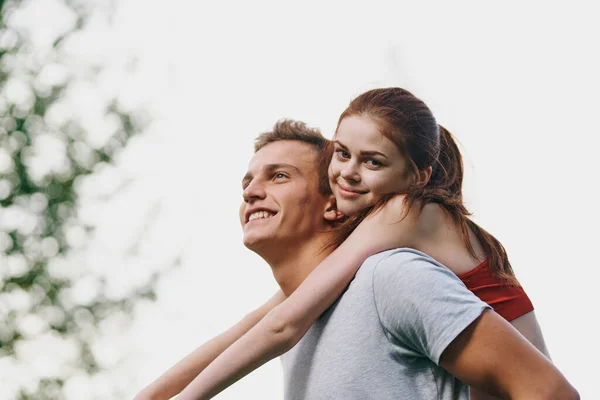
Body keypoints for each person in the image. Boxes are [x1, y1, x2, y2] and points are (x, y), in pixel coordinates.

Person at [136, 91, 576, 399]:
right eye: (342, 153)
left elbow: (281, 326)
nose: (346, 172)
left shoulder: (400, 223)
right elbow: (251, 326)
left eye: (280, 175)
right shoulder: (342, 277)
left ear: (415, 175)